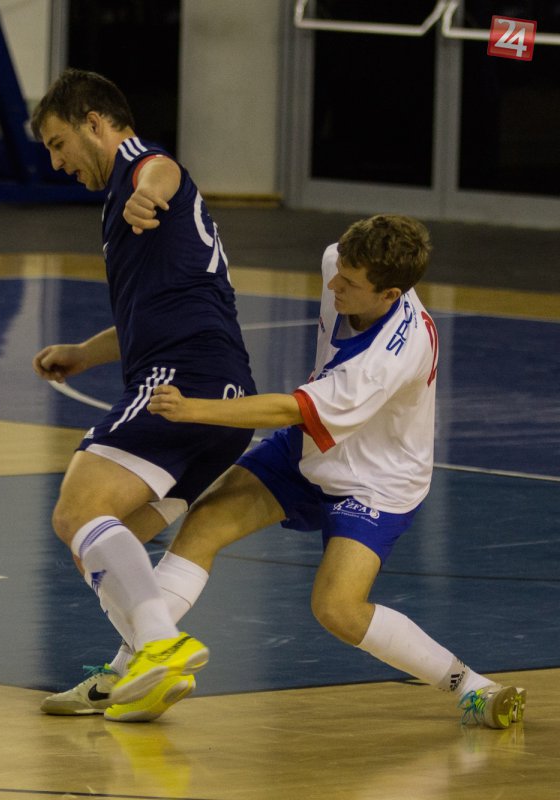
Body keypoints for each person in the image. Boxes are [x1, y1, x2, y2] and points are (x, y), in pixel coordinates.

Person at [124, 213, 523, 729]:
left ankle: (472, 688)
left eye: (349, 284)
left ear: (390, 294)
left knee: (337, 608)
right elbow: (304, 412)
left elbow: (290, 408)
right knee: (204, 524)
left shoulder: (389, 357)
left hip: (376, 481)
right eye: (339, 273)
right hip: (309, 448)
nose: (334, 285)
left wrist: (192, 409)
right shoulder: (342, 260)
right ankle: (127, 669)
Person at [29, 68, 257, 722]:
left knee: (76, 512)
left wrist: (146, 196)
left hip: (181, 382)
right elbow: (150, 314)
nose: (57, 162)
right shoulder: (120, 204)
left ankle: (161, 645)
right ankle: (130, 670)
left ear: (94, 122)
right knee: (107, 541)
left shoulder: (139, 168)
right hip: (223, 400)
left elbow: (162, 170)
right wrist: (85, 352)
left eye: (58, 144)